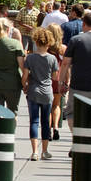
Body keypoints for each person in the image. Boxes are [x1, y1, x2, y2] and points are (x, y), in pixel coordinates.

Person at [22, 27, 58, 161]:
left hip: (33, 91)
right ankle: (45, 150)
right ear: (49, 42)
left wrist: (24, 85)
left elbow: (24, 76)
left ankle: (34, 151)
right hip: (47, 92)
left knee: (34, 121)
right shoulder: (52, 59)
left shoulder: (30, 58)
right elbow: (54, 77)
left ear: (36, 41)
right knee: (45, 122)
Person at [59, 10, 91, 133]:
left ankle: (77, 139)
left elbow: (65, 63)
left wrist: (62, 82)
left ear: (84, 24)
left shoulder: (76, 40)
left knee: (72, 114)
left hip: (79, 85)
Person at [0, 18, 25, 118]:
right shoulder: (15, 44)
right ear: (8, 29)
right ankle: (10, 133)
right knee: (12, 113)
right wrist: (25, 82)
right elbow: (22, 66)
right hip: (12, 84)